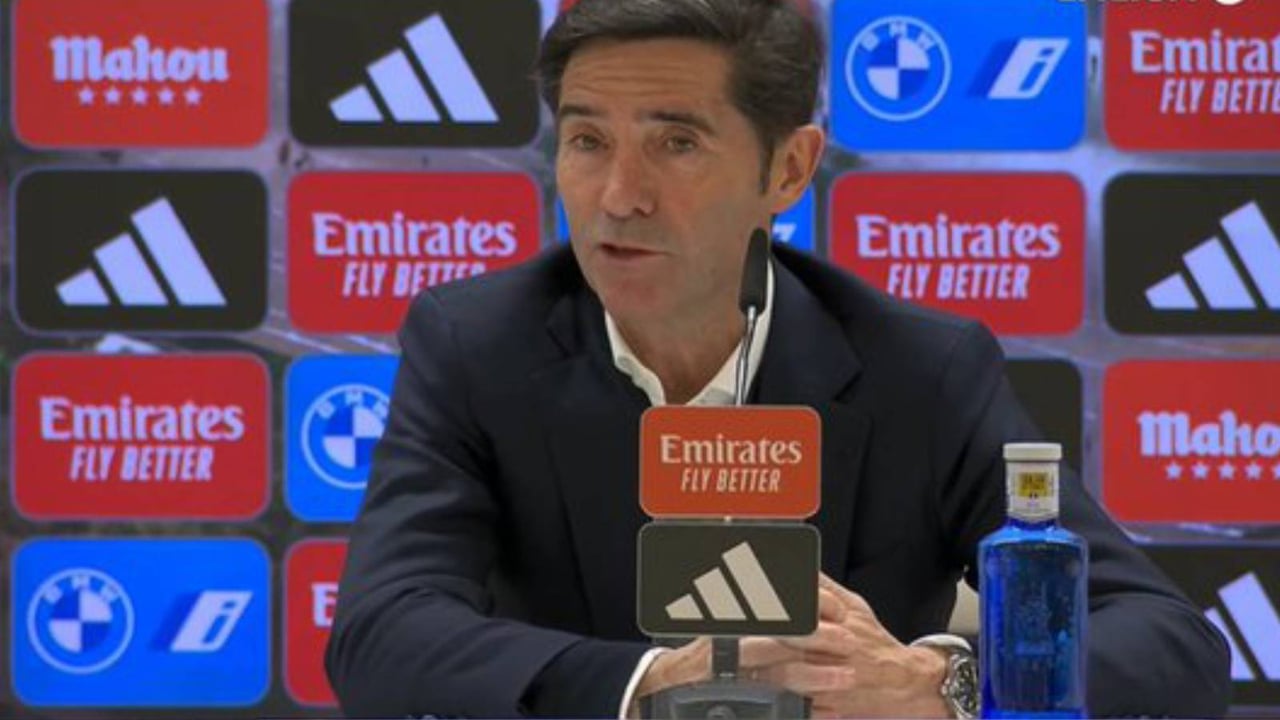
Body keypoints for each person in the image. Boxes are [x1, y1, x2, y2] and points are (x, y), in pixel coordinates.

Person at [325, 0, 1231, 717]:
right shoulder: (477, 345)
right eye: (588, 140)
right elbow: (382, 631)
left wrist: (941, 686)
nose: (619, 196)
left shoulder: (918, 368)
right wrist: (643, 688)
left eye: (677, 143)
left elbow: (1167, 638)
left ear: (789, 170)